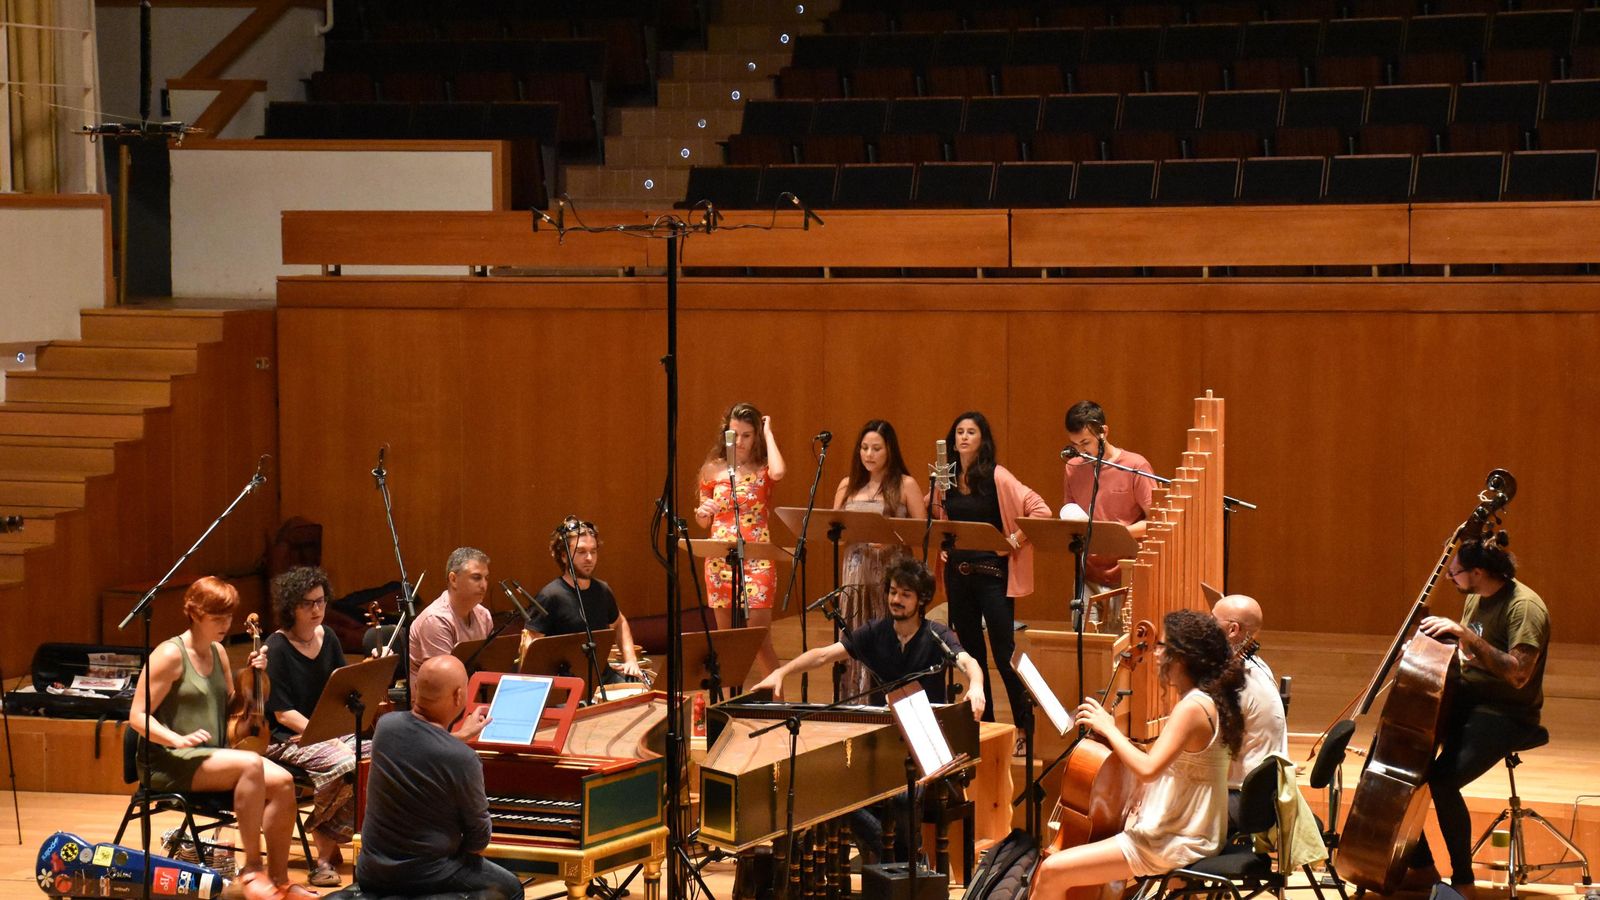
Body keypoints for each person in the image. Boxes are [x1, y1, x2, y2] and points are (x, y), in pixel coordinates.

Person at [754, 557, 985, 862]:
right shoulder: (876, 632)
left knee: (903, 797)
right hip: (880, 743)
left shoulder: (936, 635)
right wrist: (781, 672)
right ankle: (902, 861)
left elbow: (968, 662)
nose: (895, 600)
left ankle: (899, 863)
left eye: (905, 594)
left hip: (923, 746)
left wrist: (977, 686)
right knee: (833, 790)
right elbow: (824, 655)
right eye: (892, 592)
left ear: (922, 599)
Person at [1031, 609, 1245, 899]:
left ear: (1182, 657)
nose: (1156, 653)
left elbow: (1148, 769)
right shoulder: (1210, 700)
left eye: (1162, 646)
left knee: (1052, 870)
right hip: (1195, 830)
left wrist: (1109, 728)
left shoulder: (1193, 707)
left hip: (1176, 838)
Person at [127, 576, 308, 900]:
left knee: (283, 782)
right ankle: (251, 870)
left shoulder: (218, 653)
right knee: (251, 764)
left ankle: (278, 881)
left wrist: (253, 676)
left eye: (228, 616)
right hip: (168, 761)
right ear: (195, 613)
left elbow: (230, 708)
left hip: (208, 755)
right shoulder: (169, 655)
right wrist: (175, 739)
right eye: (217, 617)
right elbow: (137, 716)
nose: (226, 624)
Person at [1403, 536, 1550, 898]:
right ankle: (1421, 868)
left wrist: (1465, 635)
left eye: (1455, 572)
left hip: (1506, 711)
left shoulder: (1524, 608)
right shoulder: (1475, 598)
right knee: (1398, 769)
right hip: (1467, 698)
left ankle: (1463, 881)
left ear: (1478, 572)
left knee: (1443, 780)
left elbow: (1518, 674)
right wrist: (1426, 648)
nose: (1450, 578)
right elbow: (1466, 655)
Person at [355, 655, 523, 900]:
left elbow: (421, 743)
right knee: (511, 888)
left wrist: (459, 736)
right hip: (425, 875)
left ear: (415, 688)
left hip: (373, 871)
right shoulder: (463, 759)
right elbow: (479, 839)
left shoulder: (386, 727)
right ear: (458, 696)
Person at [933, 411, 1049, 746]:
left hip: (992, 577)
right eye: (959, 432)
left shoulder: (997, 476)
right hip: (959, 576)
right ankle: (990, 728)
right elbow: (942, 518)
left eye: (971, 432)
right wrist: (944, 544)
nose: (964, 437)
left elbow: (1040, 509)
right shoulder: (946, 478)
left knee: (1004, 653)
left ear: (982, 439)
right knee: (971, 656)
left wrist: (1012, 541)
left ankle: (1024, 727)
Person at [263, 566, 357, 888]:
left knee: (379, 756)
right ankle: (321, 858)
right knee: (344, 762)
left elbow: (344, 689)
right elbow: (283, 713)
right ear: (291, 607)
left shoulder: (327, 637)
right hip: (288, 740)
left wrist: (371, 667)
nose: (317, 609)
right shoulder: (275, 648)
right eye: (308, 603)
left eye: (321, 601)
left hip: (327, 734)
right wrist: (327, 735)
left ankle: (331, 841)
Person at [831, 419, 926, 697]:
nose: (869, 455)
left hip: (890, 573)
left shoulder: (905, 484)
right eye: (864, 448)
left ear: (890, 451)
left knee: (887, 636)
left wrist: (890, 536)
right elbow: (833, 529)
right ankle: (853, 701)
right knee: (855, 635)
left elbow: (921, 531)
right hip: (856, 572)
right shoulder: (848, 484)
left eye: (876, 448)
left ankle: (888, 699)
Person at [695, 402, 787, 681]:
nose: (741, 441)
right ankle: (727, 704)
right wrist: (703, 512)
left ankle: (779, 700)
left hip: (757, 558)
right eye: (735, 434)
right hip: (721, 558)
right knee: (727, 642)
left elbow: (780, 472)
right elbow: (702, 519)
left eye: (748, 434)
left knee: (758, 640)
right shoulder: (712, 470)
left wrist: (769, 432)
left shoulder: (763, 467)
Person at [1062, 401, 1155, 627]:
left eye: (1086, 442)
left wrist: (1114, 534)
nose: (1082, 451)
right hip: (1088, 571)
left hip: (1126, 572)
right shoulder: (1073, 467)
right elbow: (1070, 514)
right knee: (1084, 643)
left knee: (1119, 645)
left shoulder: (1135, 465)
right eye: (1075, 444)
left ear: (1104, 432)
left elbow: (1157, 521)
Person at [522, 516, 644, 684]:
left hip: (601, 676)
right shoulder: (550, 596)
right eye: (581, 552)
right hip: (566, 682)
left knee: (642, 695)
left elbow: (619, 622)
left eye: (593, 551)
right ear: (564, 556)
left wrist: (630, 660)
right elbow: (531, 645)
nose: (589, 558)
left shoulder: (602, 590)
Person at [1211, 593, 1287, 793]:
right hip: (1261, 793)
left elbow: (1204, 750)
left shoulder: (1233, 682)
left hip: (1239, 795)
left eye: (1212, 620)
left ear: (1233, 629)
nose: (1206, 626)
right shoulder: (1257, 665)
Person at [409, 547, 494, 687]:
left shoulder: (484, 615)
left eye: (486, 578)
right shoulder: (435, 619)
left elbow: (489, 665)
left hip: (471, 693)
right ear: (453, 579)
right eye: (476, 577)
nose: (484, 585)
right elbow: (443, 681)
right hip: (437, 703)